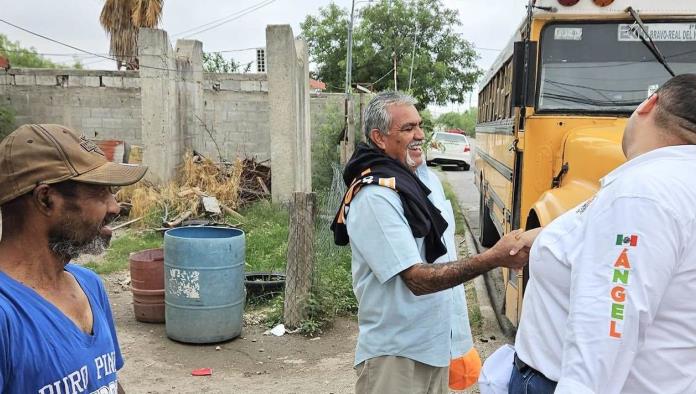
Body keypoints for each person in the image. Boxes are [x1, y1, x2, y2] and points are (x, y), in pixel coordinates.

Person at [331, 91, 535, 394]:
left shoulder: (418, 180)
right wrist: (494, 257)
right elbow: (417, 279)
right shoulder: (376, 196)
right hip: (395, 356)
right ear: (379, 137)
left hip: (432, 348)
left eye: (420, 125)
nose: (420, 135)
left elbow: (443, 255)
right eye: (408, 128)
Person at [510, 74, 696, 394]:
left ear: (649, 104)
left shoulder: (641, 192)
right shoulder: (672, 184)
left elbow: (606, 329)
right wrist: (550, 236)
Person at [0, 124, 148, 393]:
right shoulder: (6, 317)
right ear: (45, 199)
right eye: (100, 191)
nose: (115, 206)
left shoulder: (89, 285)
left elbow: (107, 382)